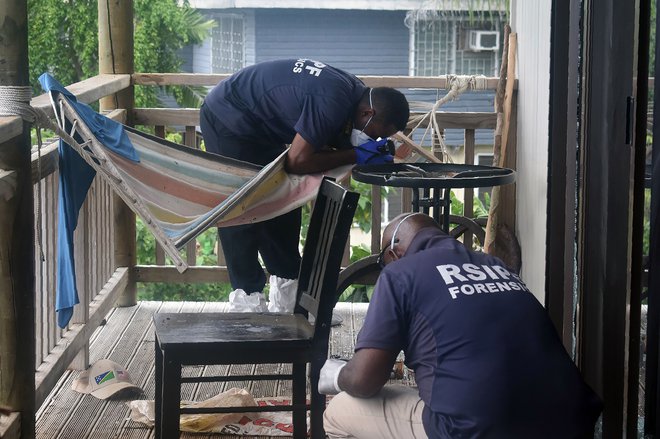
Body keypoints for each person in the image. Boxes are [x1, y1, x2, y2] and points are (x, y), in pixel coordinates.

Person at [319, 213, 603, 438]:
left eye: (383, 261)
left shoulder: (399, 274)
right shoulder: (496, 265)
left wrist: (336, 374)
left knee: (340, 411)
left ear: (394, 254)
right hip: (571, 423)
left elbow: (364, 381)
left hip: (476, 429)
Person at [200, 59, 409, 308]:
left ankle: (288, 298)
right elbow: (297, 162)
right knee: (243, 208)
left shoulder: (355, 95)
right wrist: (357, 154)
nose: (373, 138)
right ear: (368, 113)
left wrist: (366, 150)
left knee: (281, 201)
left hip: (262, 128)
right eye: (375, 134)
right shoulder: (333, 101)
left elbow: (325, 139)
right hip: (228, 117)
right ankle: (247, 303)